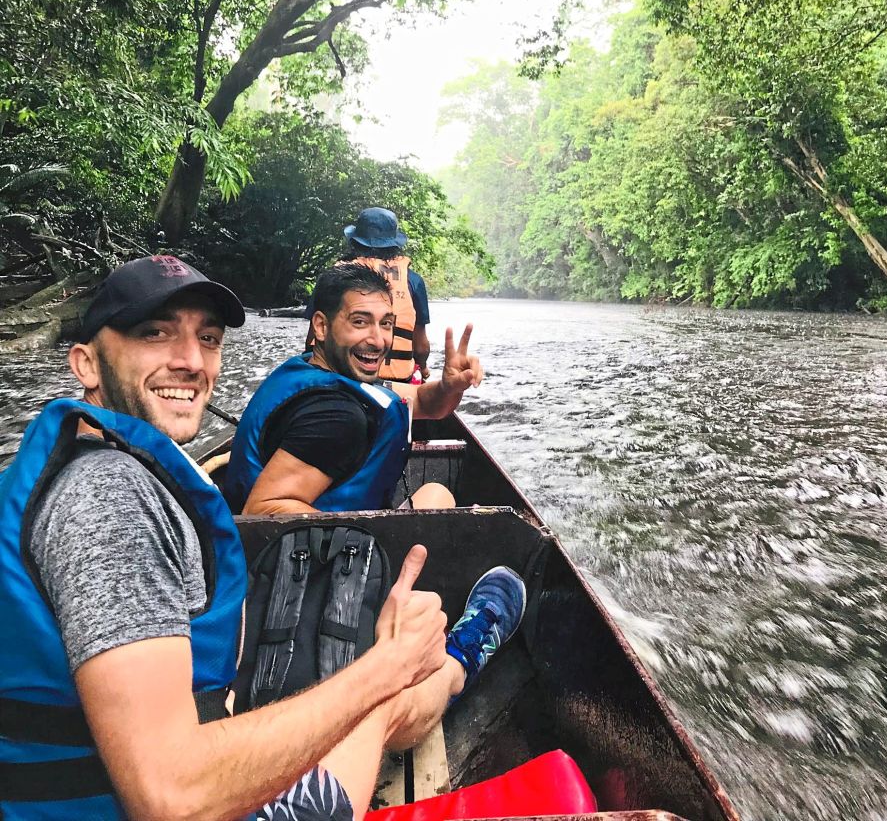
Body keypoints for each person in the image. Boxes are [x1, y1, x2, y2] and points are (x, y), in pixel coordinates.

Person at [0, 255, 526, 821]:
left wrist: (445, 386)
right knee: (388, 700)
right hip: (179, 801)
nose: (190, 360)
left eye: (207, 339)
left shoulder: (93, 453)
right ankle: (463, 656)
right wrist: (387, 666)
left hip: (148, 750)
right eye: (154, 334)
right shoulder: (106, 501)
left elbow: (415, 401)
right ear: (87, 363)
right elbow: (171, 798)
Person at [228, 262, 478, 517]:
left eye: (386, 324)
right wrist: (370, 534)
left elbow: (425, 404)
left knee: (436, 494)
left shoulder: (313, 370)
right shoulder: (337, 417)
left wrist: (449, 387)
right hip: (304, 552)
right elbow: (260, 512)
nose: (378, 340)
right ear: (322, 326)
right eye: (360, 322)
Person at [305, 208, 430, 382]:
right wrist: (423, 368)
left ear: (355, 242)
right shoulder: (413, 281)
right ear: (395, 244)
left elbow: (313, 337)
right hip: (397, 381)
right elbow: (421, 347)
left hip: (338, 376)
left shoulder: (334, 276)